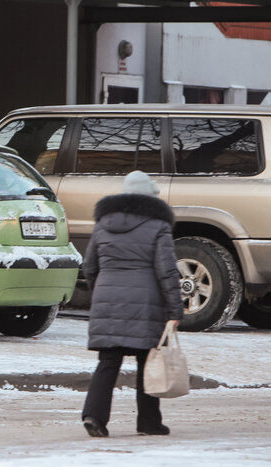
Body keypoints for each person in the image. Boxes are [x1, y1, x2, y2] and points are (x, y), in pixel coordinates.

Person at [81, 170, 183, 437]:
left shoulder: (103, 223)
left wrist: (101, 292)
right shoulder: (158, 225)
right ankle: (148, 422)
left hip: (107, 299)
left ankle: (94, 416)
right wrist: (175, 309)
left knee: (108, 362)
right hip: (145, 302)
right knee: (146, 360)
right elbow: (167, 271)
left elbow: (90, 266)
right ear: (151, 196)